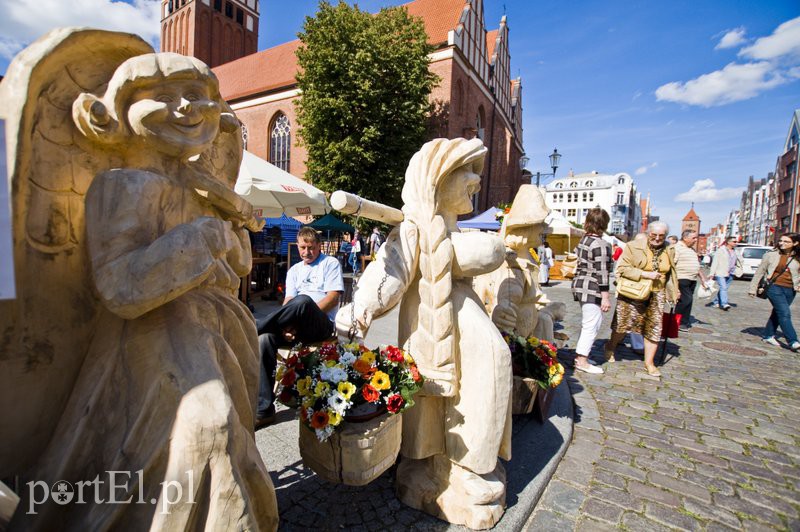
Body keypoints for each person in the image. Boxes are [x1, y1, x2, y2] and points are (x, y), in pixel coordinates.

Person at [15, 50, 278, 528]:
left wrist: (235, 221)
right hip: (153, 338)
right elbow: (120, 288)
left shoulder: (204, 187)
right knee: (207, 426)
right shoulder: (121, 185)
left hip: (218, 330)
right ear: (118, 111)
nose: (187, 108)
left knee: (229, 428)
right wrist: (201, 236)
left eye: (199, 96)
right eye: (163, 96)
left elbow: (238, 265)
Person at [338, 138, 511, 526]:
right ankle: (438, 469)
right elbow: (389, 270)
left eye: (476, 173)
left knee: (488, 368)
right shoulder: (416, 229)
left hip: (461, 313)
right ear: (436, 179)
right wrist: (360, 309)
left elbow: (487, 253)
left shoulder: (450, 231)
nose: (475, 182)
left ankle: (470, 467)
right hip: (429, 324)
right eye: (466, 172)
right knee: (440, 400)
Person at [256, 227, 344, 428]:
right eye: (303, 248)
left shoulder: (330, 263)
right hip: (295, 325)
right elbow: (288, 300)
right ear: (298, 246)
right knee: (264, 339)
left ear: (319, 246)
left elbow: (332, 298)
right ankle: (264, 409)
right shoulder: (294, 270)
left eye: (311, 247)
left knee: (303, 300)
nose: (307, 252)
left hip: (320, 323)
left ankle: (256, 326)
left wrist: (298, 316)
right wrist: (286, 327)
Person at [605, 221, 678, 378]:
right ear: (648, 233)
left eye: (661, 236)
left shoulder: (669, 249)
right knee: (622, 325)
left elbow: (672, 273)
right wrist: (646, 274)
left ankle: (649, 363)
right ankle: (611, 346)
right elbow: (622, 269)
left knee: (654, 328)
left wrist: (674, 292)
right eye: (654, 235)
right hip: (633, 291)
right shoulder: (633, 246)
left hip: (657, 293)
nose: (657, 239)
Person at [570, 208, 613, 374]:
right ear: (604, 224)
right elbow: (602, 272)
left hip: (580, 283)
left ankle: (581, 356)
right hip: (592, 286)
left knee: (589, 322)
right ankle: (582, 360)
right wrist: (605, 297)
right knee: (592, 324)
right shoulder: (601, 245)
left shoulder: (584, 240)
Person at [748, 232, 800, 350]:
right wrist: (752, 288)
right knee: (784, 313)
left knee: (778, 312)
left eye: (786, 241)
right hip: (774, 287)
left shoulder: (798, 257)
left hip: (791, 289)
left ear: (795, 243)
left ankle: (768, 335)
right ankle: (793, 341)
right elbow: (760, 272)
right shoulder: (771, 255)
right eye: (781, 240)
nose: (782, 243)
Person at [673, 230, 708, 331]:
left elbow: (696, 265)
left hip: (692, 279)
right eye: (693, 238)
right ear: (685, 238)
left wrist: (702, 278)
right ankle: (679, 323)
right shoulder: (677, 248)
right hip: (682, 277)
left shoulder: (691, 249)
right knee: (686, 301)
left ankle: (683, 321)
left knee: (687, 301)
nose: (696, 240)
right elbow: (672, 265)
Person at [710, 237, 742, 310]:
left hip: (731, 272)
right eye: (734, 241)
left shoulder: (735, 251)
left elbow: (739, 261)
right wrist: (712, 273)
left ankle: (716, 301)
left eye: (736, 241)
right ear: (728, 242)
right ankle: (724, 304)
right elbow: (715, 262)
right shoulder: (721, 251)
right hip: (721, 272)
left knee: (724, 288)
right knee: (723, 288)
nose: (735, 243)